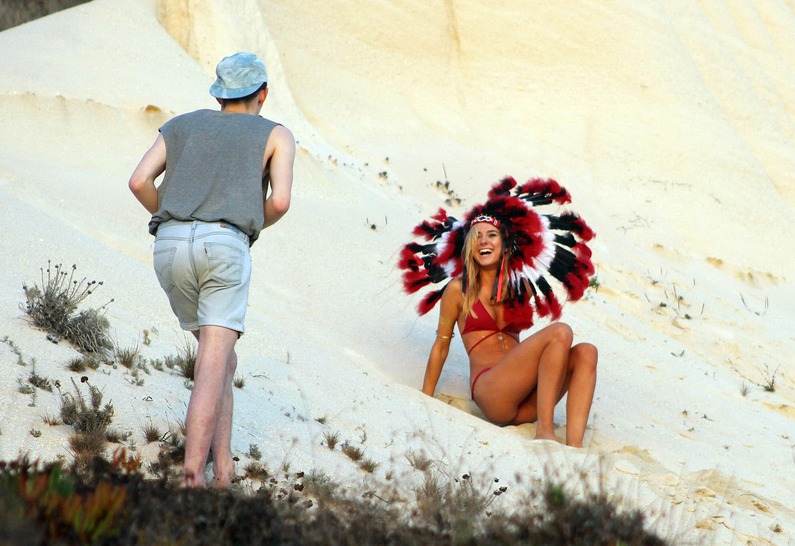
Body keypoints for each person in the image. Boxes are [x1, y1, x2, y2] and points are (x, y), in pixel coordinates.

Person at [128, 52, 296, 486]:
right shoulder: (275, 133)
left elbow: (138, 181)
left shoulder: (180, 125)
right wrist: (246, 219)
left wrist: (174, 213)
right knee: (211, 362)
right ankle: (191, 479)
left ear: (219, 94)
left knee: (223, 360)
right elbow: (279, 202)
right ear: (261, 94)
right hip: (224, 243)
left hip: (168, 245)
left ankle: (223, 471)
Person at [401, 177, 597, 447]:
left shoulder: (521, 286)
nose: (483, 240)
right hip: (492, 393)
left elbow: (540, 356)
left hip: (525, 399)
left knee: (587, 351)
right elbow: (441, 347)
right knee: (560, 331)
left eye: (491, 235)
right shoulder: (458, 290)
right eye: (477, 236)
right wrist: (425, 398)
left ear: (505, 244)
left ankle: (573, 449)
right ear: (470, 246)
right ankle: (545, 432)